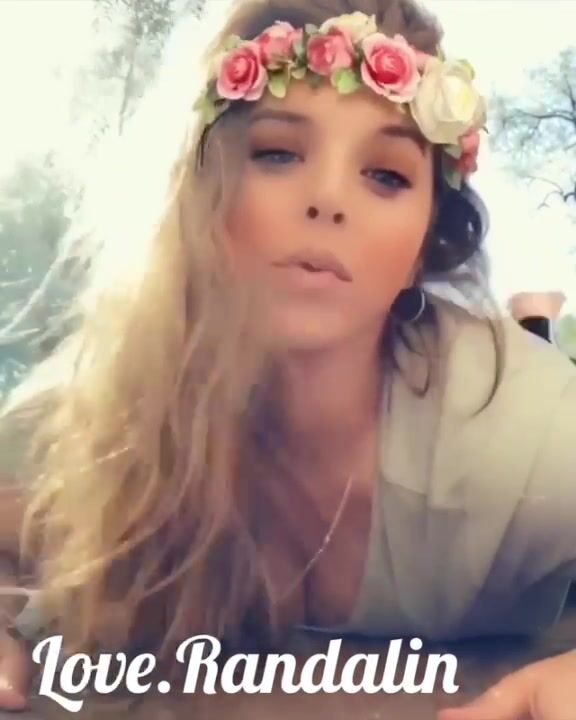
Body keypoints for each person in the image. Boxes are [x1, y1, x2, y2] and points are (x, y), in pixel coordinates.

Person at [1, 1, 576, 717]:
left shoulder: (520, 430)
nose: (328, 199)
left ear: (424, 249)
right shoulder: (101, 418)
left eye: (386, 174)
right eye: (277, 153)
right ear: (199, 195)